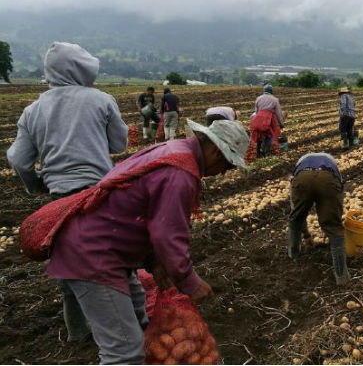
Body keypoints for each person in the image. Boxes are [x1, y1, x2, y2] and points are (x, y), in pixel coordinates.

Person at [45, 119, 249, 364]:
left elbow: (148, 214)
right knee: (123, 351)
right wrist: (190, 282)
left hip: (102, 245)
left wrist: (155, 263)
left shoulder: (172, 150)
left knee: (141, 320)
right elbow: (167, 234)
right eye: (228, 165)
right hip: (94, 255)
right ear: (217, 151)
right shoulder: (181, 172)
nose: (225, 172)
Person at [7, 42, 128, 199]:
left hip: (58, 194)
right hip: (98, 190)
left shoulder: (31, 111)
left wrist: (35, 185)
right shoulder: (103, 100)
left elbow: (17, 160)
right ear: (85, 69)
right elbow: (119, 145)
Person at [288, 153, 350, 285]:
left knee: (296, 218)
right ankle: (342, 277)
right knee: (335, 228)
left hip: (302, 179)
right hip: (328, 179)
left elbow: (296, 214)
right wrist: (330, 224)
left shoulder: (300, 165)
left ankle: (293, 253)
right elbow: (338, 198)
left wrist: (306, 235)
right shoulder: (332, 163)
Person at [245, 84, 284, 161]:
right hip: (268, 120)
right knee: (271, 136)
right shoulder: (275, 99)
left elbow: (256, 111)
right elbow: (278, 113)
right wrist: (281, 124)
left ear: (264, 91)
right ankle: (269, 153)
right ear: (271, 91)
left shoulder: (258, 98)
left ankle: (256, 154)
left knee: (257, 136)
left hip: (257, 119)